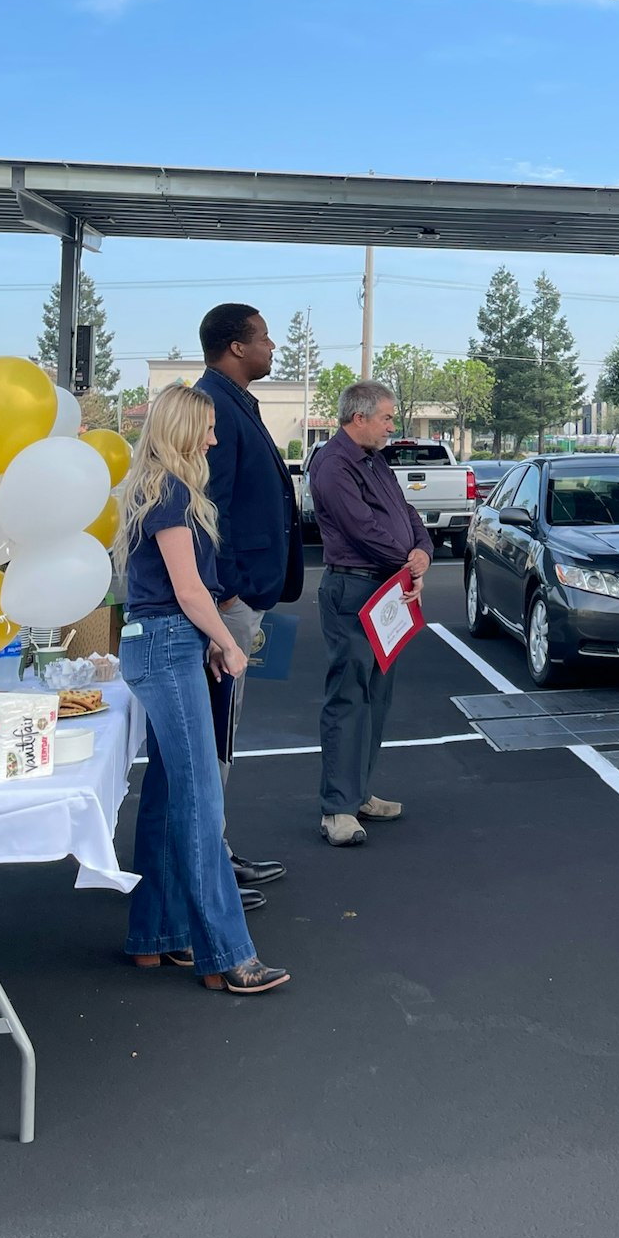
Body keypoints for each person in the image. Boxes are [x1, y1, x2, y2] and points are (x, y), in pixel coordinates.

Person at [115, 385, 289, 994]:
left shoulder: (156, 487)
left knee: (169, 795)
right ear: (184, 432)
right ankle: (225, 953)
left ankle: (156, 937)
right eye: (207, 429)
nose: (215, 440)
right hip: (168, 645)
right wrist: (229, 642)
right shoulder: (169, 490)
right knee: (200, 802)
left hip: (162, 643)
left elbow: (182, 591)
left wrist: (210, 638)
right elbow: (189, 592)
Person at [197, 303, 304, 909]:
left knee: (227, 727)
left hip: (251, 593)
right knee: (217, 728)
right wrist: (229, 589)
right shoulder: (211, 404)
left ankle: (217, 845)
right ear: (236, 347)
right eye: (264, 337)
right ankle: (207, 860)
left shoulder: (237, 399)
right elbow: (213, 507)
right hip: (232, 599)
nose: (272, 346)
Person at [309, 380, 432, 847]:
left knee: (376, 695)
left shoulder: (375, 460)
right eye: (386, 417)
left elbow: (407, 513)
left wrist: (421, 552)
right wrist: (409, 559)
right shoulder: (334, 464)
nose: (391, 425)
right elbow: (362, 530)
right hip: (353, 589)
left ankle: (358, 793)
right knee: (348, 696)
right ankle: (337, 810)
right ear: (358, 417)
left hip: (386, 589)